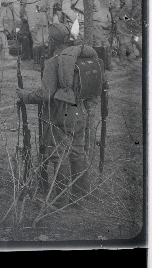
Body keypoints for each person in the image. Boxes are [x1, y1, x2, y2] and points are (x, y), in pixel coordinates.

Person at [17, 40, 101, 208]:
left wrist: (25, 96)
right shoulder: (78, 59)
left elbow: (46, 94)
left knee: (59, 155)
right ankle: (80, 197)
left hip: (61, 114)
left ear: (52, 43)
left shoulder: (53, 62)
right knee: (77, 152)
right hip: (79, 111)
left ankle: (59, 201)